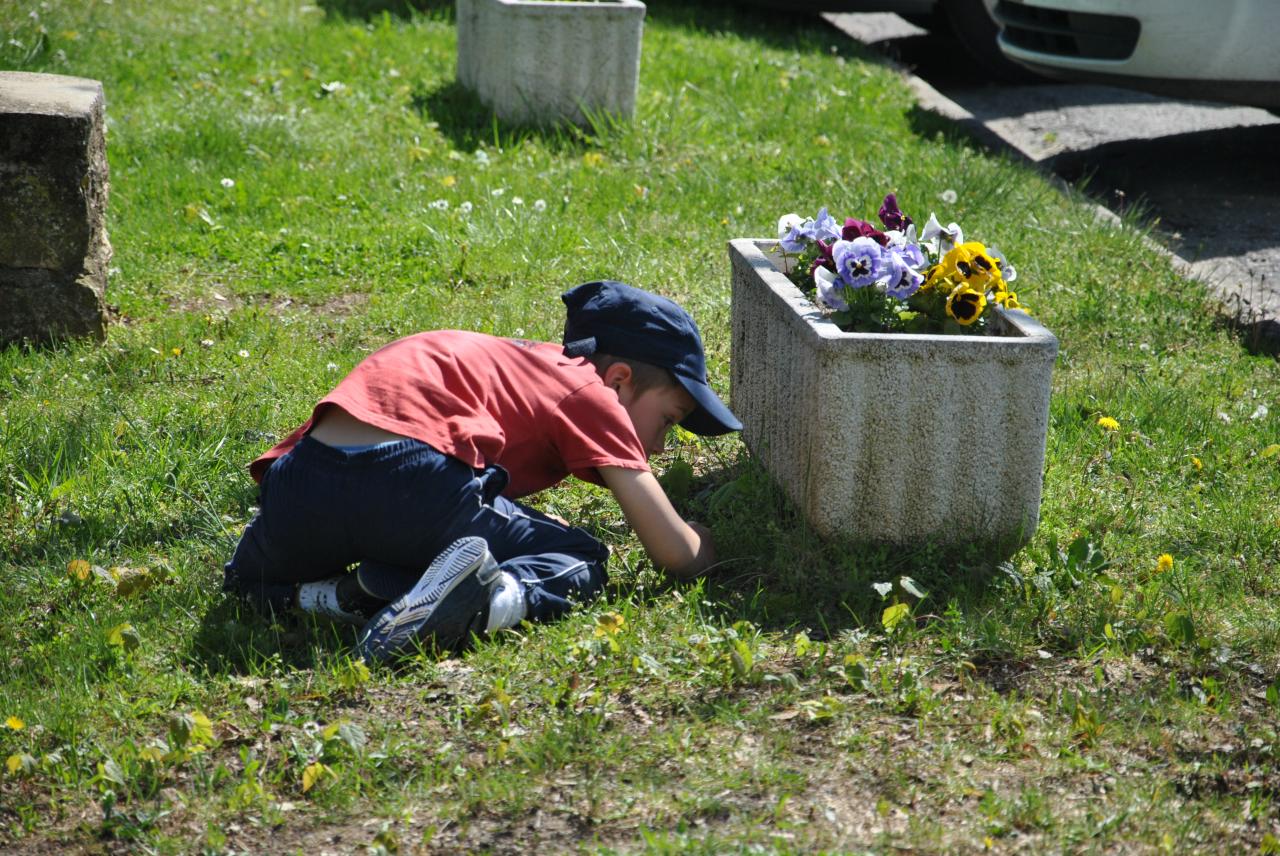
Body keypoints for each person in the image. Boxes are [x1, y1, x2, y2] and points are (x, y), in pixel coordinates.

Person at [222, 280, 742, 663]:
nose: (658, 443)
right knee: (580, 555)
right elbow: (676, 556)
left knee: (248, 580)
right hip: (412, 481)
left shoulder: (509, 362)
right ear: (621, 379)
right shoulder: (590, 389)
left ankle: (338, 598)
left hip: (302, 483)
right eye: (668, 420)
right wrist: (704, 539)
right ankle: (484, 604)